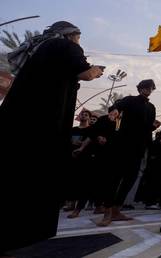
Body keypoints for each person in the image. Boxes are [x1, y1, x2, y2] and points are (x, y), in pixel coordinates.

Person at [0, 21, 103, 253]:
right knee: (33, 184)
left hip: (16, 123)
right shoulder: (64, 46)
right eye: (78, 37)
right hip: (42, 125)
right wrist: (96, 70)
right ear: (71, 35)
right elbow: (85, 73)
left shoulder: (41, 49)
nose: (79, 42)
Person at [97, 79, 160, 226]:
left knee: (130, 179)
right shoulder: (130, 100)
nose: (148, 90)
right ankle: (107, 212)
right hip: (123, 145)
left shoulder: (151, 107)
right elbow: (117, 105)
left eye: (151, 88)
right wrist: (114, 111)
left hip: (138, 148)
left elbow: (146, 129)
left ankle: (116, 210)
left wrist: (152, 130)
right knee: (115, 178)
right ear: (140, 88)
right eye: (146, 87)